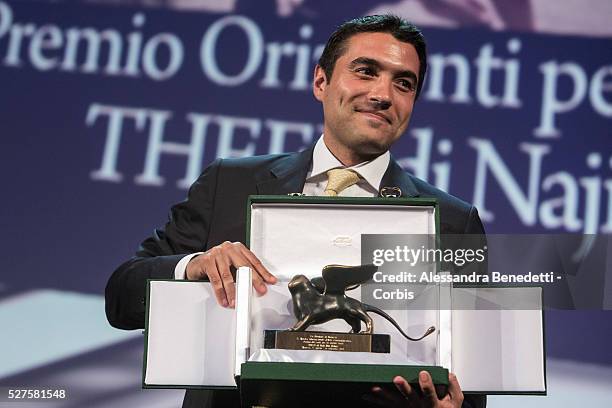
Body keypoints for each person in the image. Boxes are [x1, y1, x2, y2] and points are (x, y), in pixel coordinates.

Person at [105, 14, 486, 408]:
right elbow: (121, 297)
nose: (383, 94)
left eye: (403, 83)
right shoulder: (229, 183)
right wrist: (194, 266)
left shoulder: (452, 221)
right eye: (365, 71)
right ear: (320, 81)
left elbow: (474, 388)